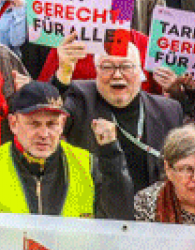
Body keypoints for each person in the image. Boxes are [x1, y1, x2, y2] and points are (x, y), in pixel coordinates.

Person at [0, 81, 133, 219]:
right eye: (34, 124)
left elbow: (118, 219)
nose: (44, 134)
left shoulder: (87, 164)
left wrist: (111, 153)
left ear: (62, 124)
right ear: (13, 123)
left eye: (52, 124)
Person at [62, 42, 184, 192]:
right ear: (96, 72)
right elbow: (53, 116)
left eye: (126, 67)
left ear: (140, 73)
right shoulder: (79, 97)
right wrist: (62, 74)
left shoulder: (169, 110)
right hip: (95, 206)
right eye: (107, 67)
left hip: (148, 209)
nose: (117, 75)